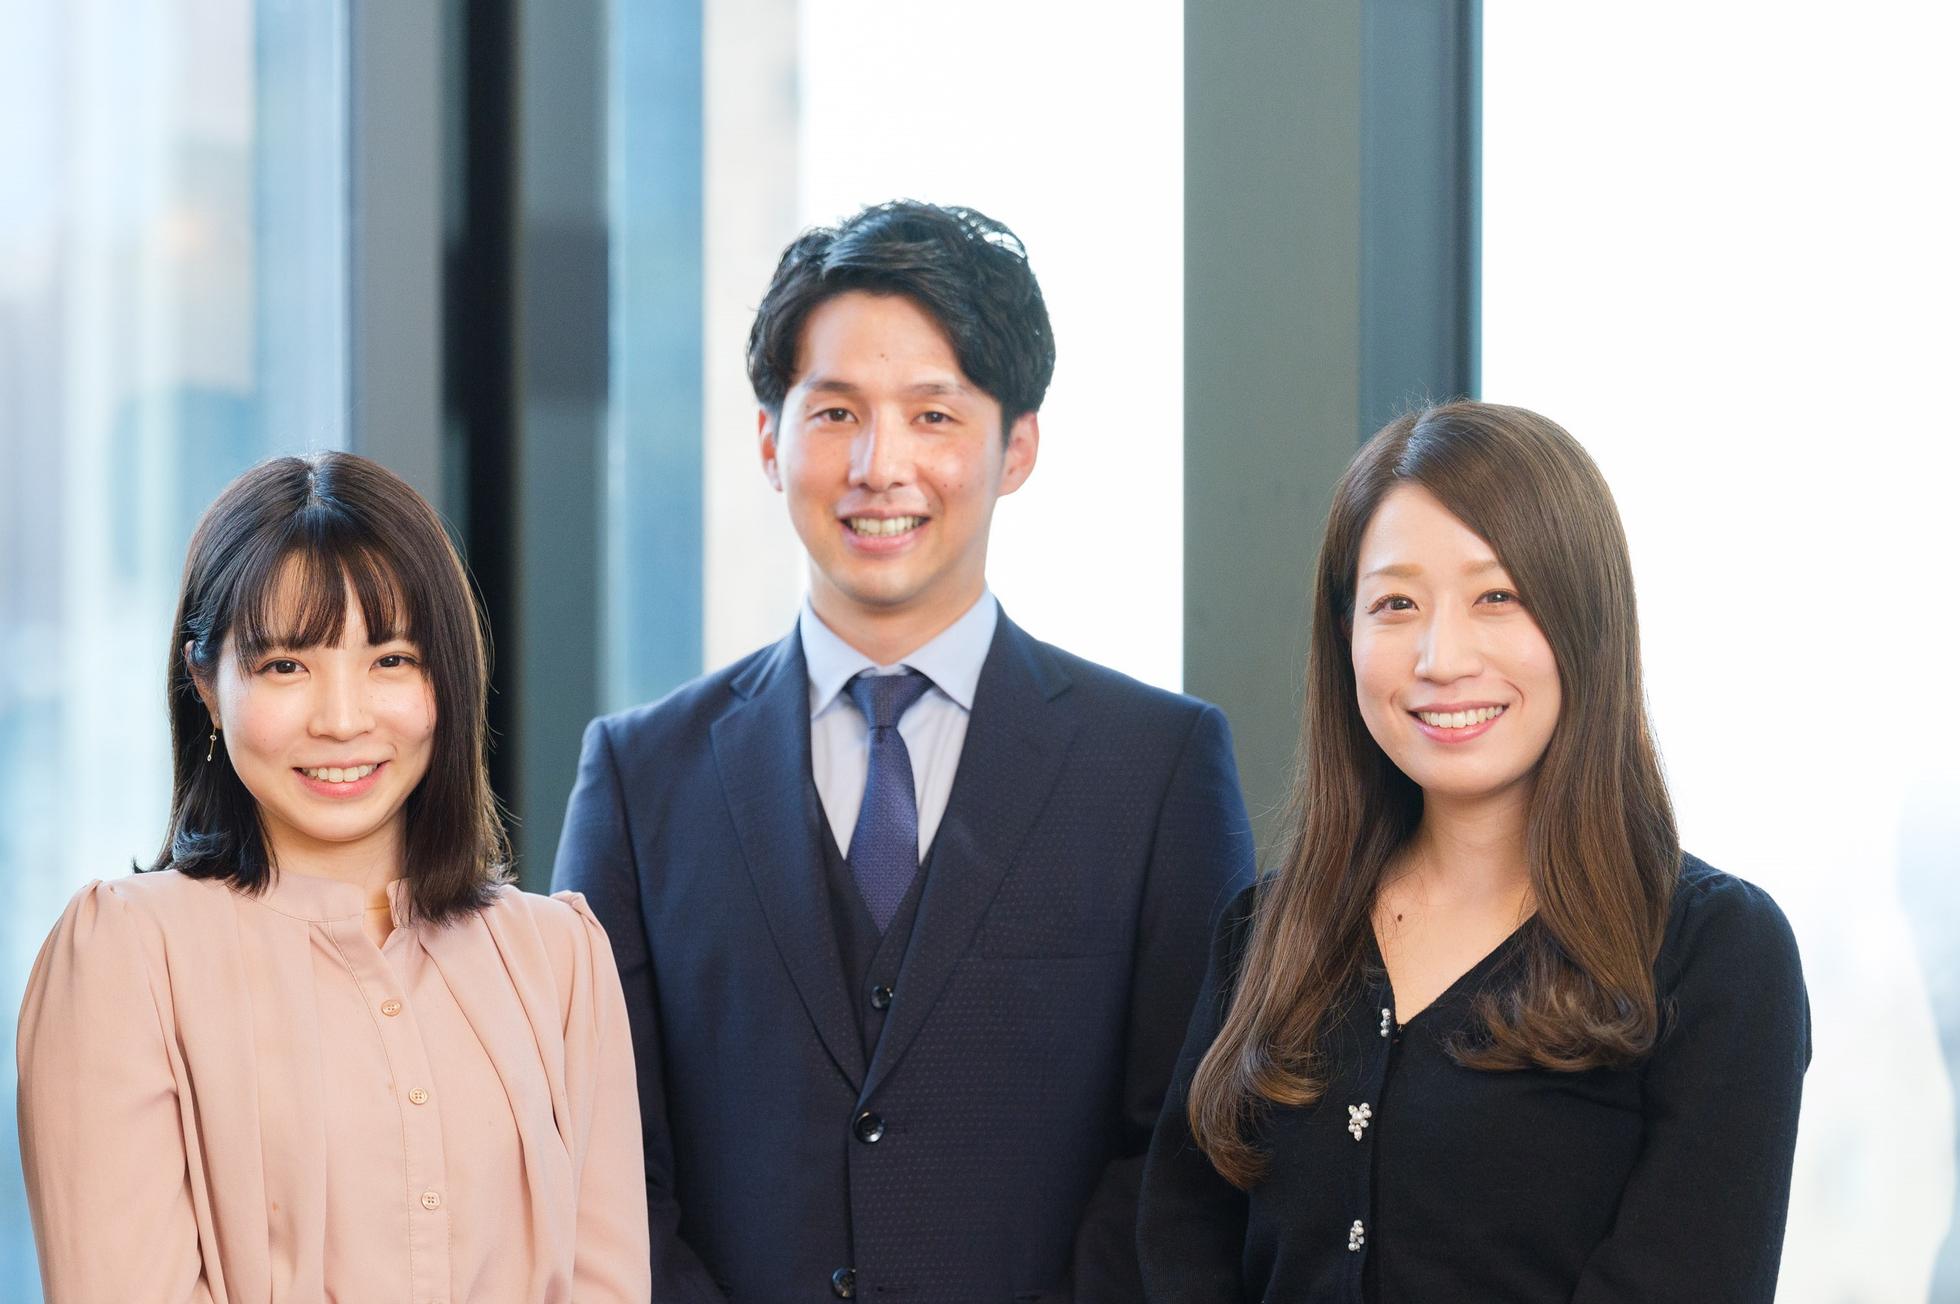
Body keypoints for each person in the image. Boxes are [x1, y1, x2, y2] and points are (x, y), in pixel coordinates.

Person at [553, 199, 1255, 1301]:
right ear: (770, 441)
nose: (880, 466)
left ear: (1017, 447)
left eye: (934, 415)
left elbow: (1186, 1156)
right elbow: (599, 1157)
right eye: (835, 412)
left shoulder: (1159, 769)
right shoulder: (641, 780)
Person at [1138, 401, 1810, 1302]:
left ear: (1585, 620)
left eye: (1497, 597)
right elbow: (1179, 1251)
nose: (1441, 657)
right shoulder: (1264, 933)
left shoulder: (1715, 952)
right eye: (1396, 604)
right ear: (1345, 636)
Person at [17, 453, 649, 1302]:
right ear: (206, 684)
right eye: (287, 665)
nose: (344, 719)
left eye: (391, 660)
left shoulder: (560, 959)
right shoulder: (125, 958)